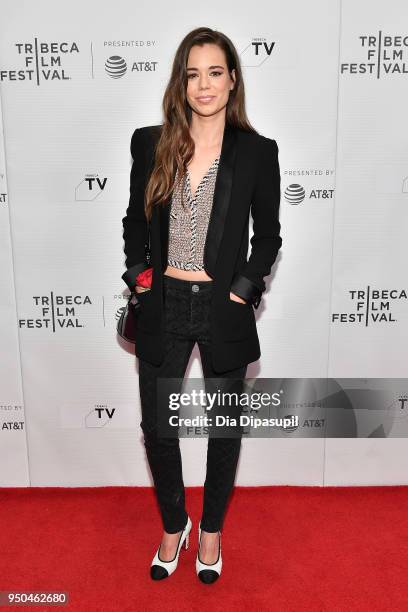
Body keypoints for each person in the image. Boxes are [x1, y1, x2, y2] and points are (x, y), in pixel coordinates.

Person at [121, 26, 282, 583]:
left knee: (225, 429)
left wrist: (243, 290)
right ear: (180, 81)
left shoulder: (258, 152)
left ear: (233, 79)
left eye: (215, 72)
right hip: (163, 303)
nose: (203, 84)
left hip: (222, 308)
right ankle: (174, 524)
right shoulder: (152, 142)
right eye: (192, 73)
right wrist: (140, 274)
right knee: (158, 429)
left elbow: (268, 238)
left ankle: (210, 529)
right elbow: (135, 222)